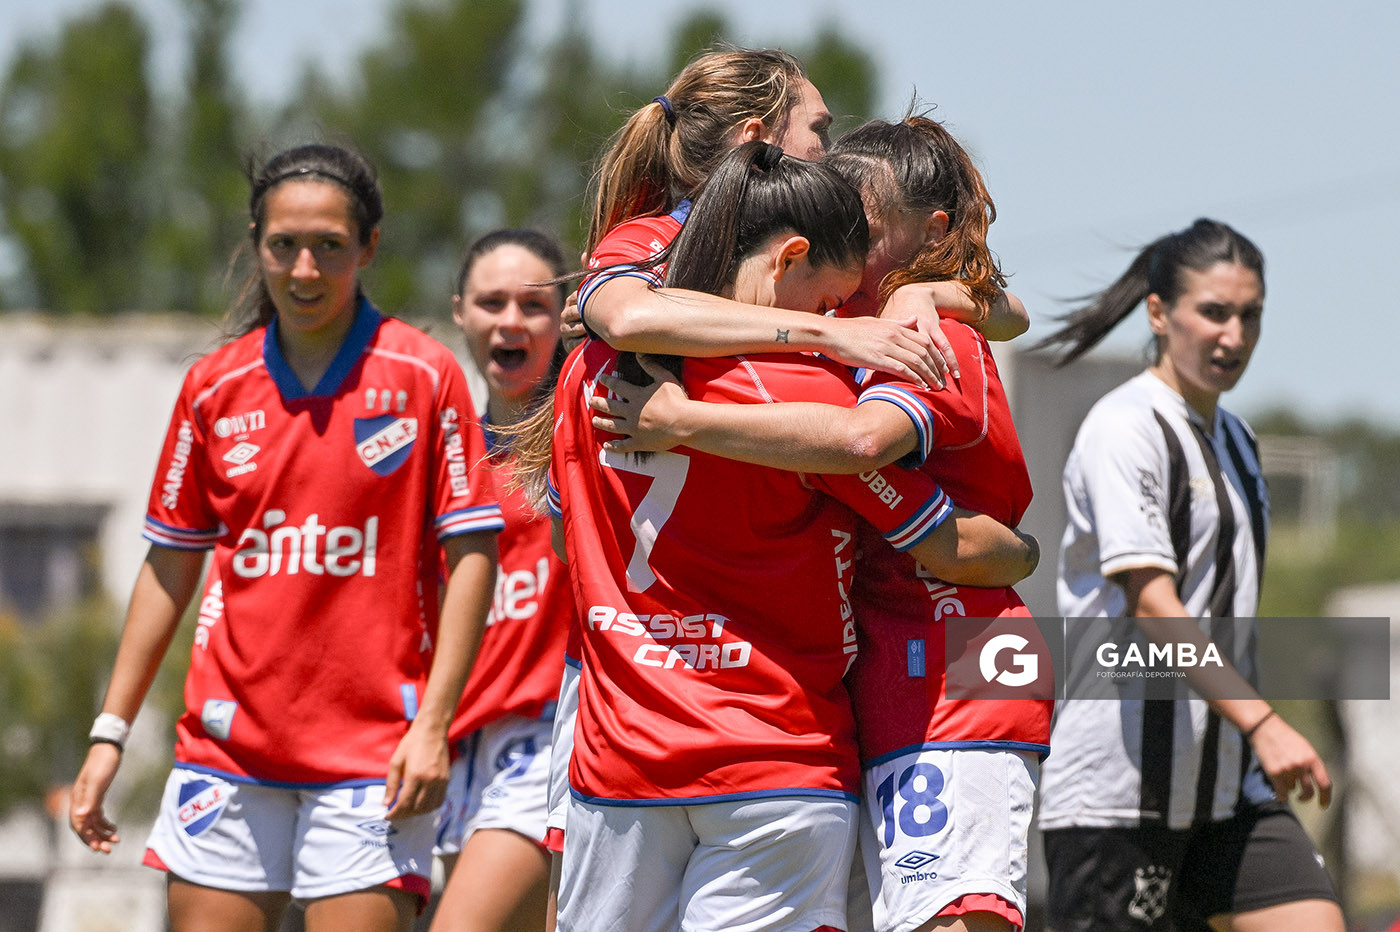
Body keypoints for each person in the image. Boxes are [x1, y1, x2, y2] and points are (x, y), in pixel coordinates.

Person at [544, 140, 1036, 932]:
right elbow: (897, 485)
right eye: (828, 299)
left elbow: (571, 539)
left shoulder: (588, 372)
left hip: (631, 755)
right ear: (792, 256)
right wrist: (1025, 551)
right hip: (783, 753)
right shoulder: (810, 391)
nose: (835, 317)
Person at [67, 143, 502, 932]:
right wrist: (110, 733)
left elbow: (474, 557)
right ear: (256, 245)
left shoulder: (426, 375)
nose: (305, 270)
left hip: (377, 756)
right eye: (284, 246)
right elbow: (169, 567)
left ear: (367, 247)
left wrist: (435, 724)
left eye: (329, 247)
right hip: (226, 756)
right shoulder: (213, 386)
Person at [1032, 218, 1343, 931]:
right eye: (1214, 312)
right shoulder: (1125, 428)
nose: (1233, 335)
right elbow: (1155, 603)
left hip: (1228, 789)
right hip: (1121, 793)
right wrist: (1264, 722)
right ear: (1157, 312)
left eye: (1250, 315)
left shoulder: (1236, 438)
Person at [429, 229, 573, 932]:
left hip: (552, 734)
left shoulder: (591, 436)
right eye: (491, 302)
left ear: (566, 315)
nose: (510, 320)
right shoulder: (444, 460)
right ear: (460, 311)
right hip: (462, 745)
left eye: (533, 305)